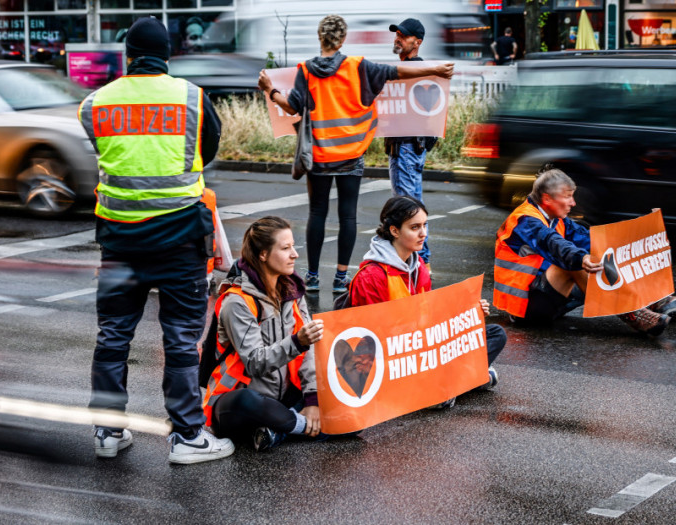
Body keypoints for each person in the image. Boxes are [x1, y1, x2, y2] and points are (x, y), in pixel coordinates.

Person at [77, 16, 233, 465]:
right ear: (168, 55)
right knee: (182, 340)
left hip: (118, 241)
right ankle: (186, 437)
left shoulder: (94, 104)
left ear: (128, 55)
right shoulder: (192, 98)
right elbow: (208, 149)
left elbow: (106, 150)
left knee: (113, 336)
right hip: (180, 239)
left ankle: (108, 431)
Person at [258, 15, 453, 294]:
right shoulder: (358, 67)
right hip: (351, 155)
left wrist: (269, 89)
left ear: (320, 37)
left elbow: (291, 108)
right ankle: (340, 278)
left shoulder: (306, 70)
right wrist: (435, 70)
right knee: (348, 216)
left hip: (320, 156)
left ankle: (312, 277)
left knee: (318, 213)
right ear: (343, 39)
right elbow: (396, 72)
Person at [493, 167, 676, 336]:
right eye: (568, 196)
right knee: (573, 263)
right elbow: (553, 244)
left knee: (604, 256)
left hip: (549, 298)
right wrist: (581, 257)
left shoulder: (556, 219)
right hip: (524, 310)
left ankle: (659, 302)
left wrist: (643, 232)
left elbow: (596, 240)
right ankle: (633, 315)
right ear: (547, 199)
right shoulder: (524, 220)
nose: (573, 202)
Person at [347, 196, 507, 409]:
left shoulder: (419, 264)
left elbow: (430, 317)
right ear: (394, 231)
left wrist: (469, 315)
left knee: (496, 334)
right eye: (415, 227)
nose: (423, 233)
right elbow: (372, 340)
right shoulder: (371, 276)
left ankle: (446, 386)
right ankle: (459, 382)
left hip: (421, 350)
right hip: (394, 359)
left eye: (425, 225)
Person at [202, 216, 324, 452]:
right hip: (239, 403)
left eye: (293, 247)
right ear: (263, 255)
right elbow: (256, 363)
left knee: (351, 417)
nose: (294, 254)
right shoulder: (236, 301)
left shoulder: (293, 292)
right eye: (285, 248)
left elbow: (311, 355)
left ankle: (277, 431)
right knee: (246, 401)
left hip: (283, 399)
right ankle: (299, 426)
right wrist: (297, 342)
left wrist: (313, 400)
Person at [384, 18, 438, 267]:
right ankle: (420, 262)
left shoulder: (414, 69)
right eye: (397, 35)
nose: (398, 39)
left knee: (408, 209)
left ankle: (420, 263)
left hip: (406, 147)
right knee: (412, 205)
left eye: (403, 36)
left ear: (417, 42)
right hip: (408, 147)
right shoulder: (415, 69)